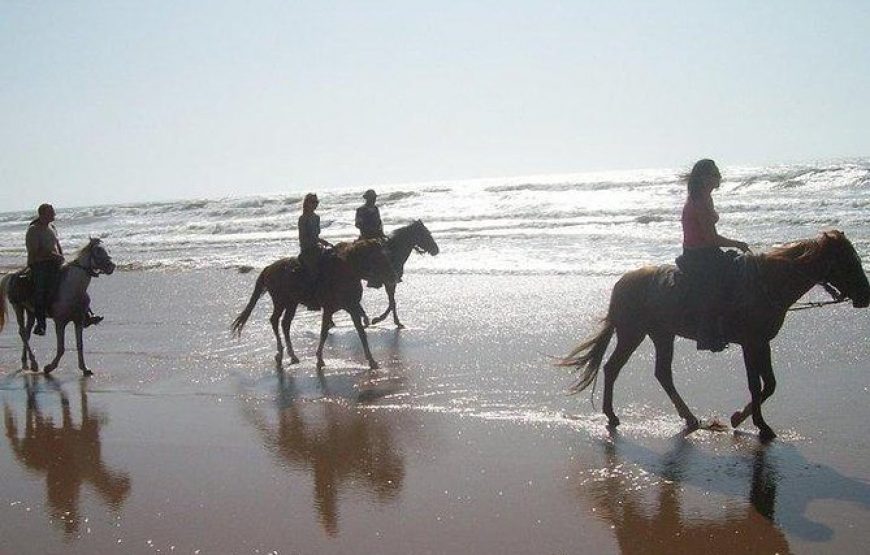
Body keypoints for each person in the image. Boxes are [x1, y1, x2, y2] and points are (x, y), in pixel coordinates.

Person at [678, 159, 750, 352]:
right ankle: (708, 334)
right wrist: (737, 243)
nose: (718, 177)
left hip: (707, 252)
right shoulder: (699, 201)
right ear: (703, 178)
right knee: (716, 285)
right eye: (714, 173)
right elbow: (711, 238)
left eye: (718, 172)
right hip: (698, 255)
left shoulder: (705, 197)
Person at [25, 204, 103, 335]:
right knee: (41, 289)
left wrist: (62, 258)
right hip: (39, 264)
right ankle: (41, 324)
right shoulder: (33, 230)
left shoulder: (52, 228)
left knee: (73, 283)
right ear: (43, 214)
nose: (54, 215)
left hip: (55, 262)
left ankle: (86, 315)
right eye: (51, 212)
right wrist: (52, 256)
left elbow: (57, 245)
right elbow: (34, 251)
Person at [297, 193, 332, 310]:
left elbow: (316, 235)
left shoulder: (316, 218)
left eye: (316, 202)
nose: (315, 205)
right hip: (308, 249)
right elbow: (305, 237)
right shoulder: (303, 219)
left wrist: (322, 242)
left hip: (317, 247)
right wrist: (320, 241)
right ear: (307, 203)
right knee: (314, 271)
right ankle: (312, 299)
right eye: (313, 202)